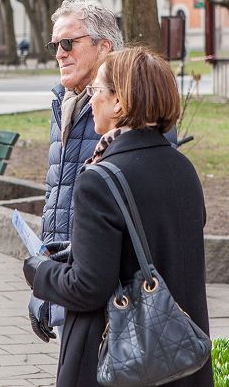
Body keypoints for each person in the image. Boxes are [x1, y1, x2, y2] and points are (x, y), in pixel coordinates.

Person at [23, 47, 213, 387]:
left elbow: (87, 288)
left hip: (120, 361)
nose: (91, 99)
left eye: (96, 90)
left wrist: (39, 271)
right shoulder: (183, 168)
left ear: (120, 103)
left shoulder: (99, 179)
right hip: (181, 357)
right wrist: (74, 252)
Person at [27, 0, 124, 342]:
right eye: (55, 45)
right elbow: (58, 197)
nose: (60, 53)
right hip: (69, 281)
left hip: (109, 295)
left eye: (69, 43)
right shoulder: (65, 101)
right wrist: (47, 290)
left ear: (104, 47)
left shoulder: (127, 108)